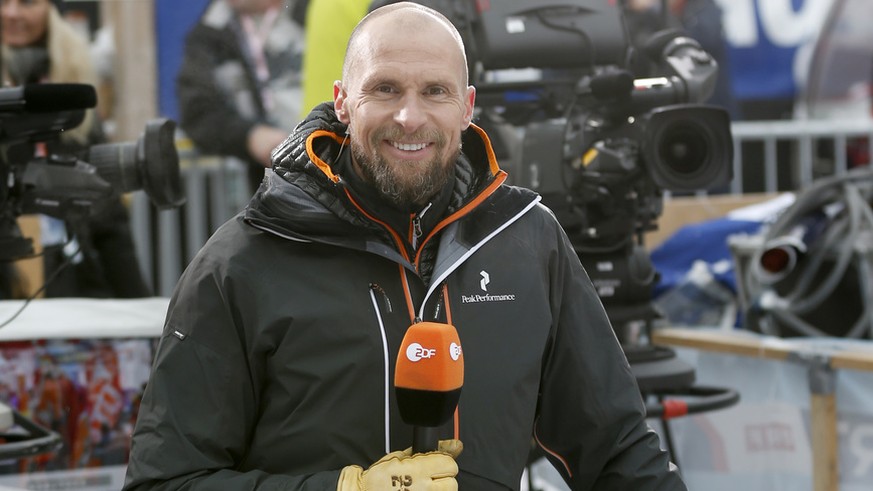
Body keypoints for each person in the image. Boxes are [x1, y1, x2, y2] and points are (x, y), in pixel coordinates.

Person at [124, 3, 686, 490]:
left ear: (467, 107)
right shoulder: (243, 261)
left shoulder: (527, 239)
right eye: (385, 89)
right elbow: (165, 480)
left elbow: (616, 451)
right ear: (343, 102)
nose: (410, 117)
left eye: (434, 91)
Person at [1, 0, 150, 299]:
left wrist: (138, 305)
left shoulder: (73, 88)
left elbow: (106, 213)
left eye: (27, 2)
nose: (11, 12)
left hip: (71, 279)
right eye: (3, 2)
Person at [176, 0, 308, 193]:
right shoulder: (209, 32)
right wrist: (250, 135)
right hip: (271, 186)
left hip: (335, 158)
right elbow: (197, 112)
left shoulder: (317, 9)